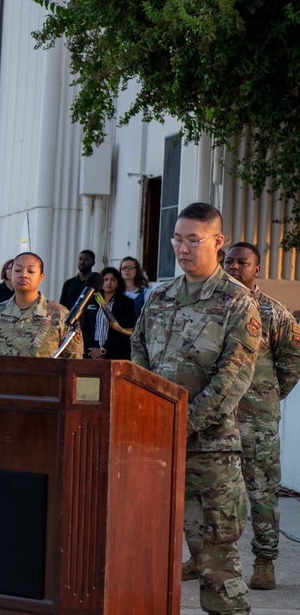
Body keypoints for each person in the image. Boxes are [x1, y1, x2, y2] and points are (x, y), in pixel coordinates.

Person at [131, 202, 261, 614]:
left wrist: (177, 423)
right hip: (154, 446)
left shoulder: (236, 303)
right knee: (145, 558)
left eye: (193, 239)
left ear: (217, 242)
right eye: (177, 239)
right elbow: (139, 354)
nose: (182, 248)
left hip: (208, 453)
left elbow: (231, 380)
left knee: (215, 563)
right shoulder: (160, 295)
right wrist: (148, 415)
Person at [218, 242, 300, 590]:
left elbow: (292, 361)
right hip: (214, 416)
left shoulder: (274, 312)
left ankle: (264, 560)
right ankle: (208, 558)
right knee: (213, 489)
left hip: (257, 420)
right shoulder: (211, 306)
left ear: (256, 268)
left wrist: (266, 396)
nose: (235, 267)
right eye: (229, 262)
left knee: (261, 490)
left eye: (242, 262)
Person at [0, 252, 83, 358]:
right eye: (18, 270)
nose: (23, 275)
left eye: (31, 271)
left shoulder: (60, 315)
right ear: (11, 274)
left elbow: (73, 362)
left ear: (41, 277)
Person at [79, 266, 135, 360]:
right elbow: (84, 327)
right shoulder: (91, 301)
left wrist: (103, 350)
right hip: (91, 354)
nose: (109, 282)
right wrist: (93, 351)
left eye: (113, 280)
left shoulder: (127, 303)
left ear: (118, 283)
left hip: (115, 355)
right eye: (106, 279)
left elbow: (125, 331)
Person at [119, 256, 151, 321]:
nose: (127, 270)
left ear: (137, 270)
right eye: (124, 268)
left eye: (130, 267)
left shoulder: (145, 292)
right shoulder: (117, 292)